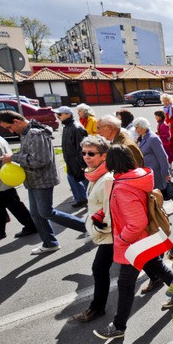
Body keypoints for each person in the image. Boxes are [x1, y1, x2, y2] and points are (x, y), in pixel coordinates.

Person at [93, 145, 173, 339]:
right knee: (156, 265)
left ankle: (119, 326)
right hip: (144, 239)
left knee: (126, 283)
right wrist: (102, 213)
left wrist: (122, 238)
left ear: (111, 163)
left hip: (134, 243)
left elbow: (137, 222)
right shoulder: (136, 178)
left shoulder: (122, 187)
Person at [0, 111, 85, 254]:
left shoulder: (34, 134)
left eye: (9, 127)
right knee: (36, 214)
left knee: (46, 212)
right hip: (33, 178)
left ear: (16, 121)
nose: (10, 131)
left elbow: (40, 161)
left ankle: (87, 228)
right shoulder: (27, 133)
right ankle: (50, 243)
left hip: (42, 179)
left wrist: (14, 157)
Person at [71, 135, 114, 323]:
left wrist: (102, 229)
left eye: (91, 153)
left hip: (110, 233)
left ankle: (97, 308)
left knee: (99, 269)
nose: (86, 156)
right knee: (146, 261)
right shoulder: (94, 174)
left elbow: (111, 210)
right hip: (105, 231)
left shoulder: (106, 178)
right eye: (84, 153)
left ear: (104, 156)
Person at [135, 117, 173, 212]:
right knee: (161, 191)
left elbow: (163, 157)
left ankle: (161, 216)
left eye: (137, 127)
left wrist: (166, 173)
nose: (135, 130)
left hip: (156, 171)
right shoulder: (143, 137)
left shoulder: (152, 138)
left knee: (156, 195)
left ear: (143, 127)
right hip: (149, 171)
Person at [55, 106, 89, 208]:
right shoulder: (66, 127)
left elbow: (82, 147)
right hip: (71, 162)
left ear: (68, 115)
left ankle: (93, 203)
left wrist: (83, 164)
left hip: (79, 163)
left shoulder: (76, 127)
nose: (58, 116)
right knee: (72, 180)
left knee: (87, 183)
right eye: (57, 114)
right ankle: (81, 199)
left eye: (60, 114)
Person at [153, 110, 173, 175]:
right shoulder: (160, 123)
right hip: (163, 142)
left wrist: (159, 135)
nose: (155, 117)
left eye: (156, 116)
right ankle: (169, 166)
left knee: (170, 156)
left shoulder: (163, 125)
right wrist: (158, 133)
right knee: (167, 155)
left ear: (160, 117)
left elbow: (168, 135)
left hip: (165, 143)